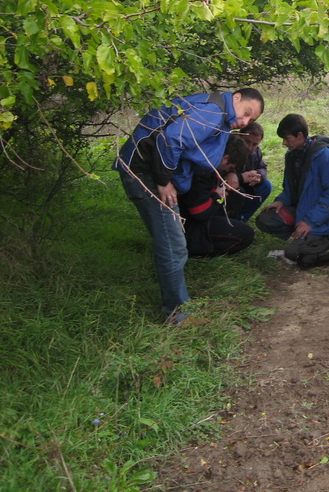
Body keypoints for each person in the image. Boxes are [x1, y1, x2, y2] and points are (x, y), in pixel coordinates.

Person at [115, 88, 264, 324]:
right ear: (236, 98)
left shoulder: (220, 115)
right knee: (174, 245)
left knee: (172, 242)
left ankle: (178, 306)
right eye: (246, 112)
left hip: (151, 173)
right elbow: (171, 139)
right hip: (146, 174)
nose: (245, 122)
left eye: (251, 119)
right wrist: (163, 180)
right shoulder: (213, 111)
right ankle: (178, 314)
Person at [256, 113, 329, 267]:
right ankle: (302, 236)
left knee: (296, 255)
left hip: (325, 216)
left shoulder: (326, 156)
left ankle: (328, 237)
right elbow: (290, 188)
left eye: (287, 138)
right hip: (303, 209)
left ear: (300, 135)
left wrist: (310, 222)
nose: (284, 143)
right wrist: (281, 201)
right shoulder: (291, 156)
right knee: (266, 219)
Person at [178, 134, 256, 257]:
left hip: (202, 215)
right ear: (225, 158)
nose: (227, 171)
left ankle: (227, 228)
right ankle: (198, 251)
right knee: (246, 234)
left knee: (238, 193)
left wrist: (235, 177)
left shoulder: (210, 161)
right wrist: (217, 196)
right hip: (191, 225)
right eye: (230, 168)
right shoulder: (203, 171)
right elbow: (199, 212)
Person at [230, 122, 271, 222]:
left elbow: (263, 167)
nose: (250, 147)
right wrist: (240, 177)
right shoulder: (229, 147)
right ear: (240, 136)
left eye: (255, 144)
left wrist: (258, 175)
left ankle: (241, 219)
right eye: (247, 141)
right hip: (228, 187)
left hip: (246, 184)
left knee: (266, 186)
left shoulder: (256, 152)